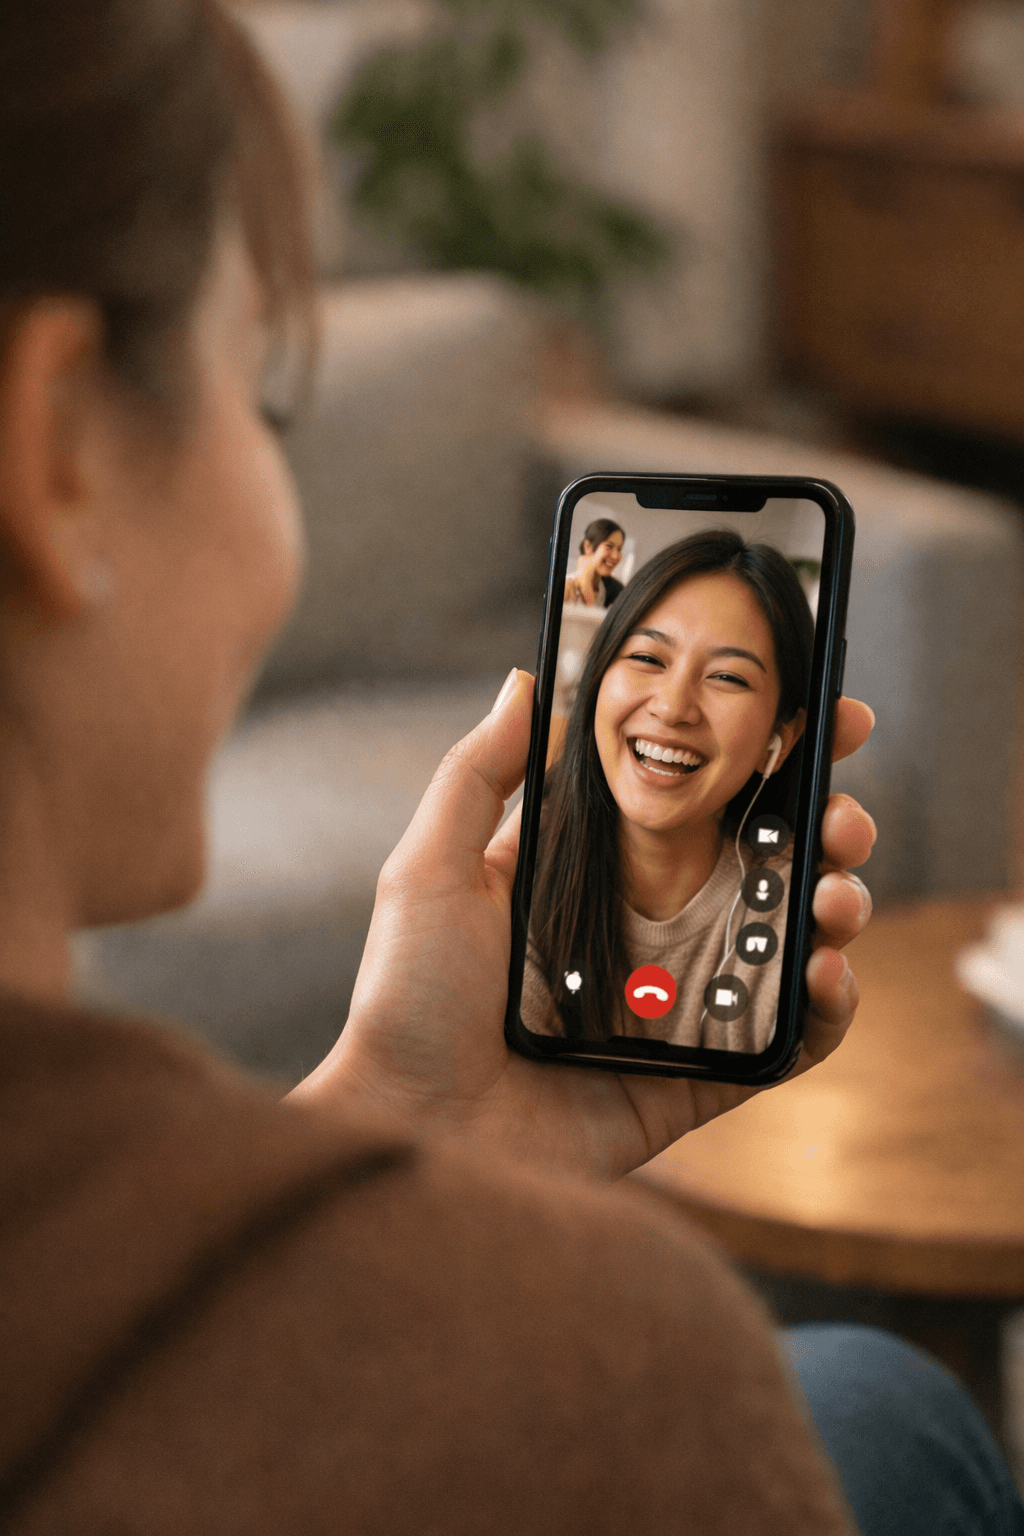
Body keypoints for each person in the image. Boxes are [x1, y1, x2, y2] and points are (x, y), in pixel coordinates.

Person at [1, 4, 1021, 1533]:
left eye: (734, 673)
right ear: (62, 451)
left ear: (785, 739)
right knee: (884, 1407)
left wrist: (395, 1113)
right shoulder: (610, 1383)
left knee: (871, 1398)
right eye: (262, 397)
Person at [525, 530, 811, 1051]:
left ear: (781, 737)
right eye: (648, 659)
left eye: (726, 676)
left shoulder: (784, 911)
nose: (673, 706)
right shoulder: (515, 870)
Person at [563, 516, 626, 606]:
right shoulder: (567, 587)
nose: (615, 556)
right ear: (588, 546)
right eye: (609, 546)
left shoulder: (612, 590)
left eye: (619, 549)